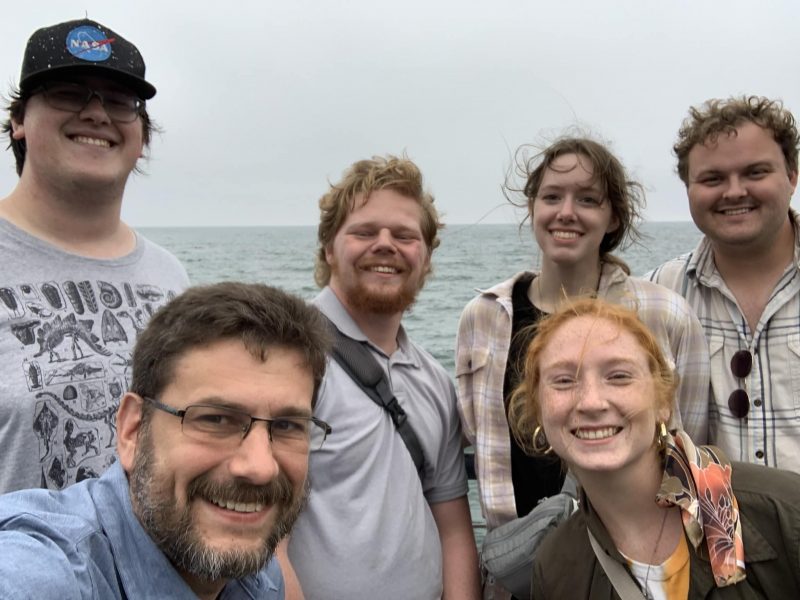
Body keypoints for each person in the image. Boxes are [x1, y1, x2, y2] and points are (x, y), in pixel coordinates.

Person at [455, 137, 709, 597]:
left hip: (634, 572)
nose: (566, 212)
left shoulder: (663, 314)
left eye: (587, 199)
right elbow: (477, 431)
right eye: (552, 197)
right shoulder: (484, 315)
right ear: (532, 207)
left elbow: (692, 441)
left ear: (612, 217)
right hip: (516, 571)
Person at [0, 282, 333, 599]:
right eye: (215, 419)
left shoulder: (258, 575)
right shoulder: (48, 574)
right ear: (132, 429)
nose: (260, 467)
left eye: (289, 425)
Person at [0, 18, 189, 493]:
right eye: (68, 92)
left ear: (142, 135)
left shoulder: (170, 277)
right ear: (19, 121)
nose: (97, 113)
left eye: (120, 101)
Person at [508, 298, 800, 599]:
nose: (591, 402)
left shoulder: (783, 513)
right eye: (564, 381)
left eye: (619, 376)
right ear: (539, 410)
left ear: (662, 402)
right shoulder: (558, 568)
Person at [286, 155, 481, 599]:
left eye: (405, 236)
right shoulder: (291, 359)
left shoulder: (434, 380)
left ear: (426, 256)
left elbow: (452, 527)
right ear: (329, 248)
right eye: (364, 232)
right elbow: (263, 537)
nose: (386, 245)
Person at [647, 96, 800, 473]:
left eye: (755, 172)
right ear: (688, 189)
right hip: (707, 531)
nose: (734, 191)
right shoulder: (659, 294)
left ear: (792, 176)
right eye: (713, 179)